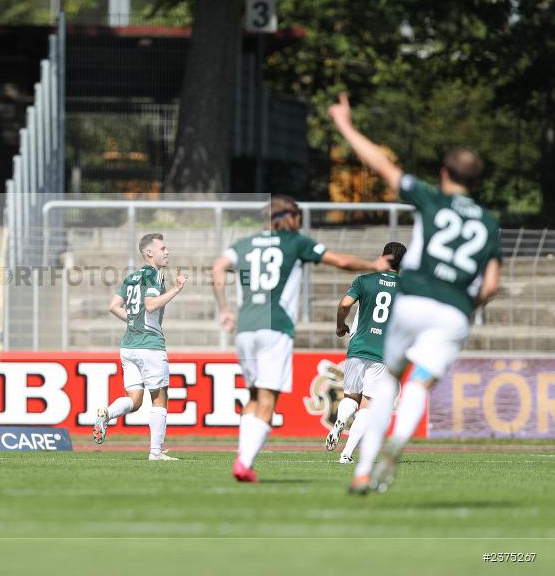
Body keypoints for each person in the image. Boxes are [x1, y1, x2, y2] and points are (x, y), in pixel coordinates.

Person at [329, 93, 501, 493]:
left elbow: (382, 165)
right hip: (454, 310)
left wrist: (346, 125)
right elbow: (490, 284)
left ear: (444, 173)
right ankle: (397, 446)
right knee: (419, 383)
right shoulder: (490, 222)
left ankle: (364, 468)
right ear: (476, 183)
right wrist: (467, 306)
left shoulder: (431, 198)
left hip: (416, 298)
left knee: (389, 378)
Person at [212, 195, 391, 483]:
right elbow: (341, 260)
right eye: (297, 214)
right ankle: (244, 462)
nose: (299, 220)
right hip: (275, 327)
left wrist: (224, 309)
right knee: (268, 399)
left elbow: (217, 267)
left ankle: (244, 457)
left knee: (253, 396)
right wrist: (373, 263)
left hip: (245, 328)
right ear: (287, 217)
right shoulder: (295, 242)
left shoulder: (243, 244)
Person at [94, 233, 187, 461]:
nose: (167, 252)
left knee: (135, 401)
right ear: (149, 253)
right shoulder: (154, 274)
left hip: (128, 346)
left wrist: (133, 320)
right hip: (149, 346)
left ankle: (107, 414)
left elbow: (113, 306)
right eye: (163, 248)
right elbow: (151, 305)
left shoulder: (132, 276)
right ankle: (155, 452)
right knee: (159, 397)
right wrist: (175, 289)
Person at [326, 242, 406, 464]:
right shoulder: (406, 288)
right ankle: (346, 454)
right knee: (368, 405)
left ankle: (340, 421)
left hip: (357, 348)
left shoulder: (364, 280)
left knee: (351, 396)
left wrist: (340, 326)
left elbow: (344, 304)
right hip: (382, 353)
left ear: (383, 256)